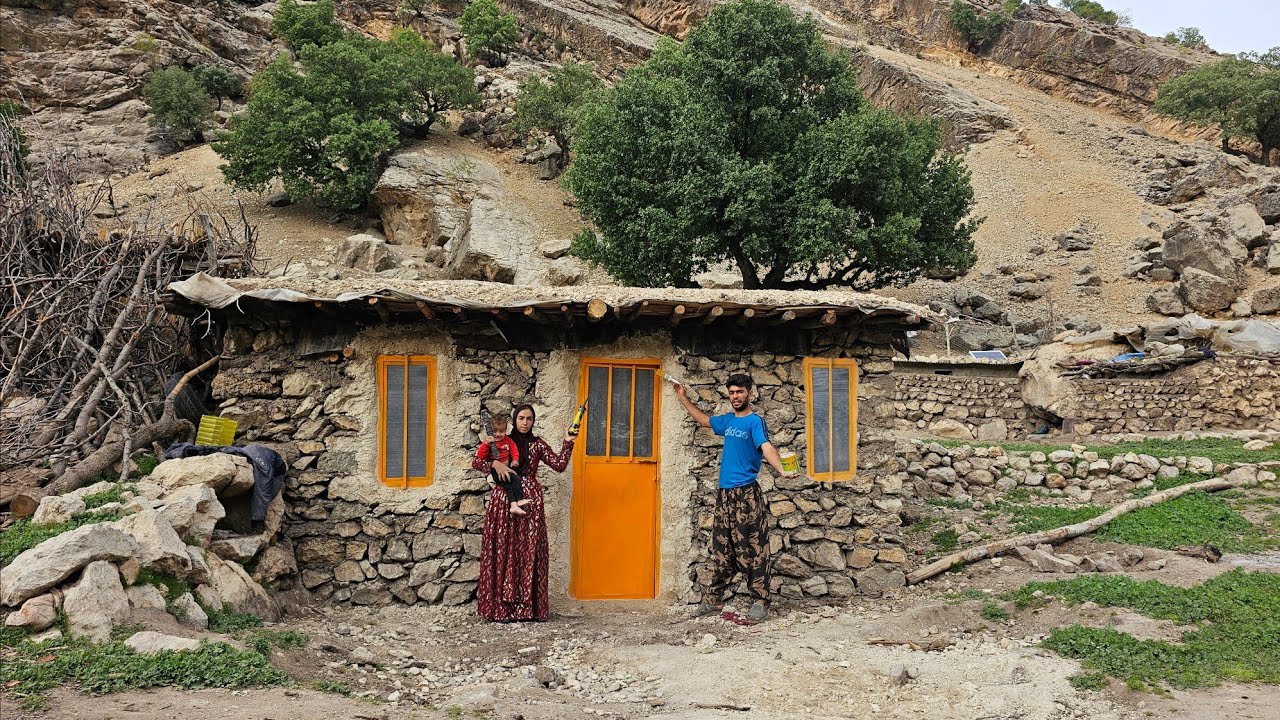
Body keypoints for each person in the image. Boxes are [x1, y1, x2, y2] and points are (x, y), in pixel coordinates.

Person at [672, 373, 796, 623]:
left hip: (746, 494)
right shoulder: (728, 421)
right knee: (721, 547)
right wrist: (683, 398)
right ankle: (714, 599)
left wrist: (781, 468)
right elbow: (705, 421)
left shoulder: (754, 422)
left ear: (750, 393)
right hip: (724, 495)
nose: (735, 396)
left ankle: (760, 601)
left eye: (740, 392)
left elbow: (767, 447)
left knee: (753, 547)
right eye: (731, 392)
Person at [473, 404, 575, 622]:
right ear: (515, 419)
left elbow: (559, 465)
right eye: (521, 418)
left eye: (529, 418)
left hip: (530, 506)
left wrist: (568, 442)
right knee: (503, 549)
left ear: (533, 421)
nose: (525, 422)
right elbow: (476, 462)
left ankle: (527, 610)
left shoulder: (537, 445)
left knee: (527, 551)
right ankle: (500, 610)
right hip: (503, 502)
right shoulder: (500, 442)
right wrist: (494, 464)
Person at [475, 413, 532, 516]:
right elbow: (480, 457)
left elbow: (514, 450)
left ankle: (516, 503)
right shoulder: (489, 442)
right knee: (509, 485)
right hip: (496, 472)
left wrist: (515, 460)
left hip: (508, 469)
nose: (498, 434)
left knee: (513, 481)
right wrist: (486, 444)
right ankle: (516, 503)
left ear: (506, 431)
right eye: (494, 431)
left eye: (501, 431)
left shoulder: (507, 440)